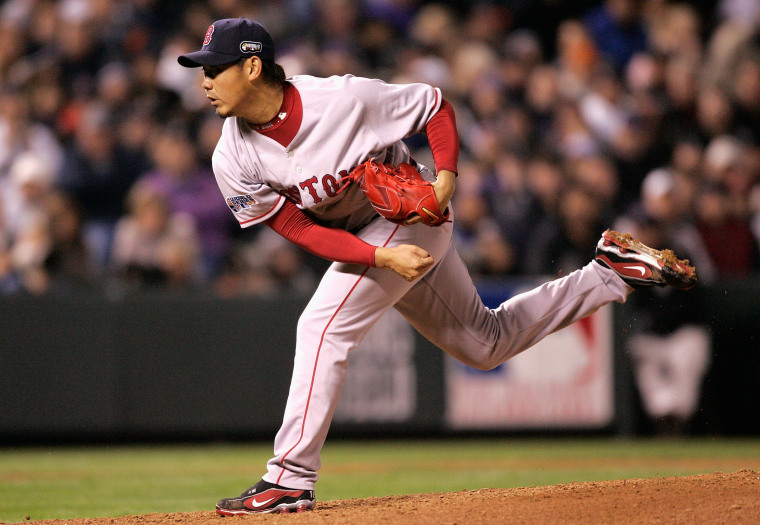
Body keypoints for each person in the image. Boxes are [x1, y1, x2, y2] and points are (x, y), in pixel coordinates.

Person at [177, 17, 697, 515]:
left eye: (212, 68)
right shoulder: (233, 156)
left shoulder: (340, 98)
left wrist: (445, 177)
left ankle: (289, 479)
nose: (204, 81)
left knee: (320, 328)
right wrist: (381, 257)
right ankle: (609, 272)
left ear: (251, 68)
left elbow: (435, 106)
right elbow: (299, 230)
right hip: (373, 240)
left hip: (411, 213)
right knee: (484, 343)